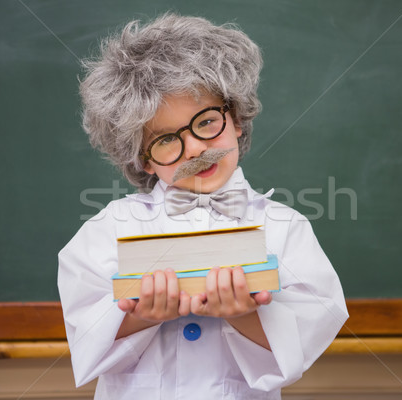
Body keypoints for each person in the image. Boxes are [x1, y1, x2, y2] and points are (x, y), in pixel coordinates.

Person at [58, 13, 348, 400]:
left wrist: (244, 313)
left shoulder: (285, 226)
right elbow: (86, 329)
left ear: (237, 119)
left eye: (207, 122)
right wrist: (140, 315)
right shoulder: (108, 229)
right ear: (143, 160)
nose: (195, 147)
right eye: (165, 140)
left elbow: (311, 327)